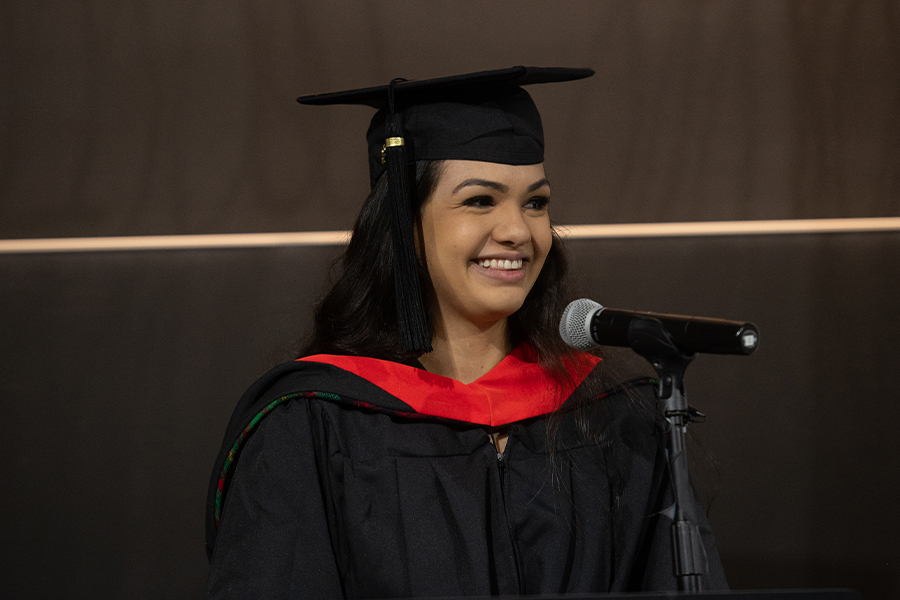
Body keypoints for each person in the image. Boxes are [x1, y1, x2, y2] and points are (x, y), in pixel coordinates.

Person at [204, 66, 727, 598]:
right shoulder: (313, 422)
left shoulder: (613, 414)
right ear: (402, 223)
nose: (517, 231)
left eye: (536, 202)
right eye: (480, 201)